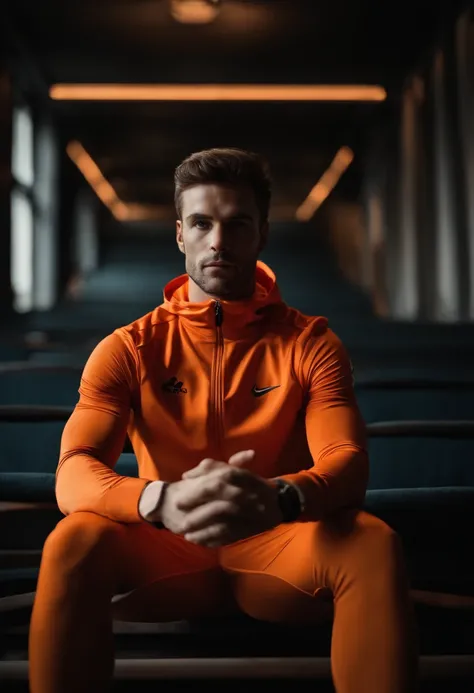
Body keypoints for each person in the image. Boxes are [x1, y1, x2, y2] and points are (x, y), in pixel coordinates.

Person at [29, 148, 417, 693]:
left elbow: (347, 464)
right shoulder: (128, 348)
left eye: (237, 224)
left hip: (278, 544)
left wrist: (280, 498)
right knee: (72, 540)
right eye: (202, 223)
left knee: (372, 542)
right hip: (163, 550)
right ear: (181, 235)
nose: (218, 240)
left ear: (260, 235)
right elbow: (74, 470)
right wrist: (159, 500)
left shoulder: (311, 344)